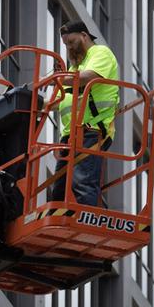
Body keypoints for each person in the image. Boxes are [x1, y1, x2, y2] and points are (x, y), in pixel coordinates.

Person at [48, 20, 119, 209]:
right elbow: (63, 99)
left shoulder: (100, 53)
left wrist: (60, 79)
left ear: (84, 36)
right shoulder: (75, 68)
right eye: (65, 45)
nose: (69, 48)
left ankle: (93, 222)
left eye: (71, 42)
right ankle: (61, 230)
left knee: (83, 183)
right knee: (59, 191)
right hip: (70, 135)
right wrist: (39, 104)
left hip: (92, 130)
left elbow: (90, 77)